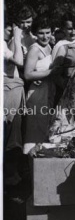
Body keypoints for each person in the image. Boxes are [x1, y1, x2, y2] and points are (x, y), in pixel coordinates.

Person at [22, 16, 61, 154]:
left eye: (47, 32)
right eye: (41, 33)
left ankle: (40, 165)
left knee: (45, 129)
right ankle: (30, 165)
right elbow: (28, 74)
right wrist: (50, 72)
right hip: (37, 94)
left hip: (48, 91)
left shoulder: (50, 47)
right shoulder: (35, 49)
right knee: (35, 130)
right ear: (35, 33)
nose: (45, 36)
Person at [3, 15, 26, 185]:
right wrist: (17, 39)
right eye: (10, 29)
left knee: (12, 135)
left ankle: (10, 177)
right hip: (6, 91)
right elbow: (18, 61)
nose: (13, 32)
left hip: (11, 89)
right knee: (10, 137)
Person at [51, 13, 75, 103]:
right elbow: (54, 72)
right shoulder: (60, 45)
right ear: (63, 29)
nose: (73, 32)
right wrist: (66, 86)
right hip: (65, 90)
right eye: (69, 29)